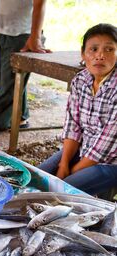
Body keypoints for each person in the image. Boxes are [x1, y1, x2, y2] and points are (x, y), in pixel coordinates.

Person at [38, 23, 117, 196]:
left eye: (109, 49)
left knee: (60, 192)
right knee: (35, 177)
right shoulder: (81, 80)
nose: (100, 56)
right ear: (83, 54)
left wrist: (73, 171)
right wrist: (64, 163)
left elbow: (107, 143)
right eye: (93, 49)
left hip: (111, 162)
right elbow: (73, 125)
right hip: (84, 149)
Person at [0, 0, 51, 139]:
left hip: (23, 35)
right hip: (2, 31)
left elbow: (40, 3)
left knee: (9, 84)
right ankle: (19, 117)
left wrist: (35, 37)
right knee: (4, 81)